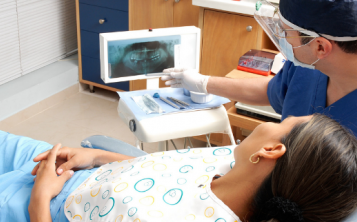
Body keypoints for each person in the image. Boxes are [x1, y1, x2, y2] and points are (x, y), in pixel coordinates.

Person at [1, 114, 357, 222]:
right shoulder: (231, 163)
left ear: (271, 149)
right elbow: (160, 168)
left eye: (289, 121)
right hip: (76, 170)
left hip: (44, 207)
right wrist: (93, 157)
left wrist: (39, 199)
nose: (285, 117)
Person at [161, 0, 357, 137]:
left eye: (285, 31)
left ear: (320, 47)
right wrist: (203, 83)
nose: (280, 37)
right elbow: (273, 91)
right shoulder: (307, 67)